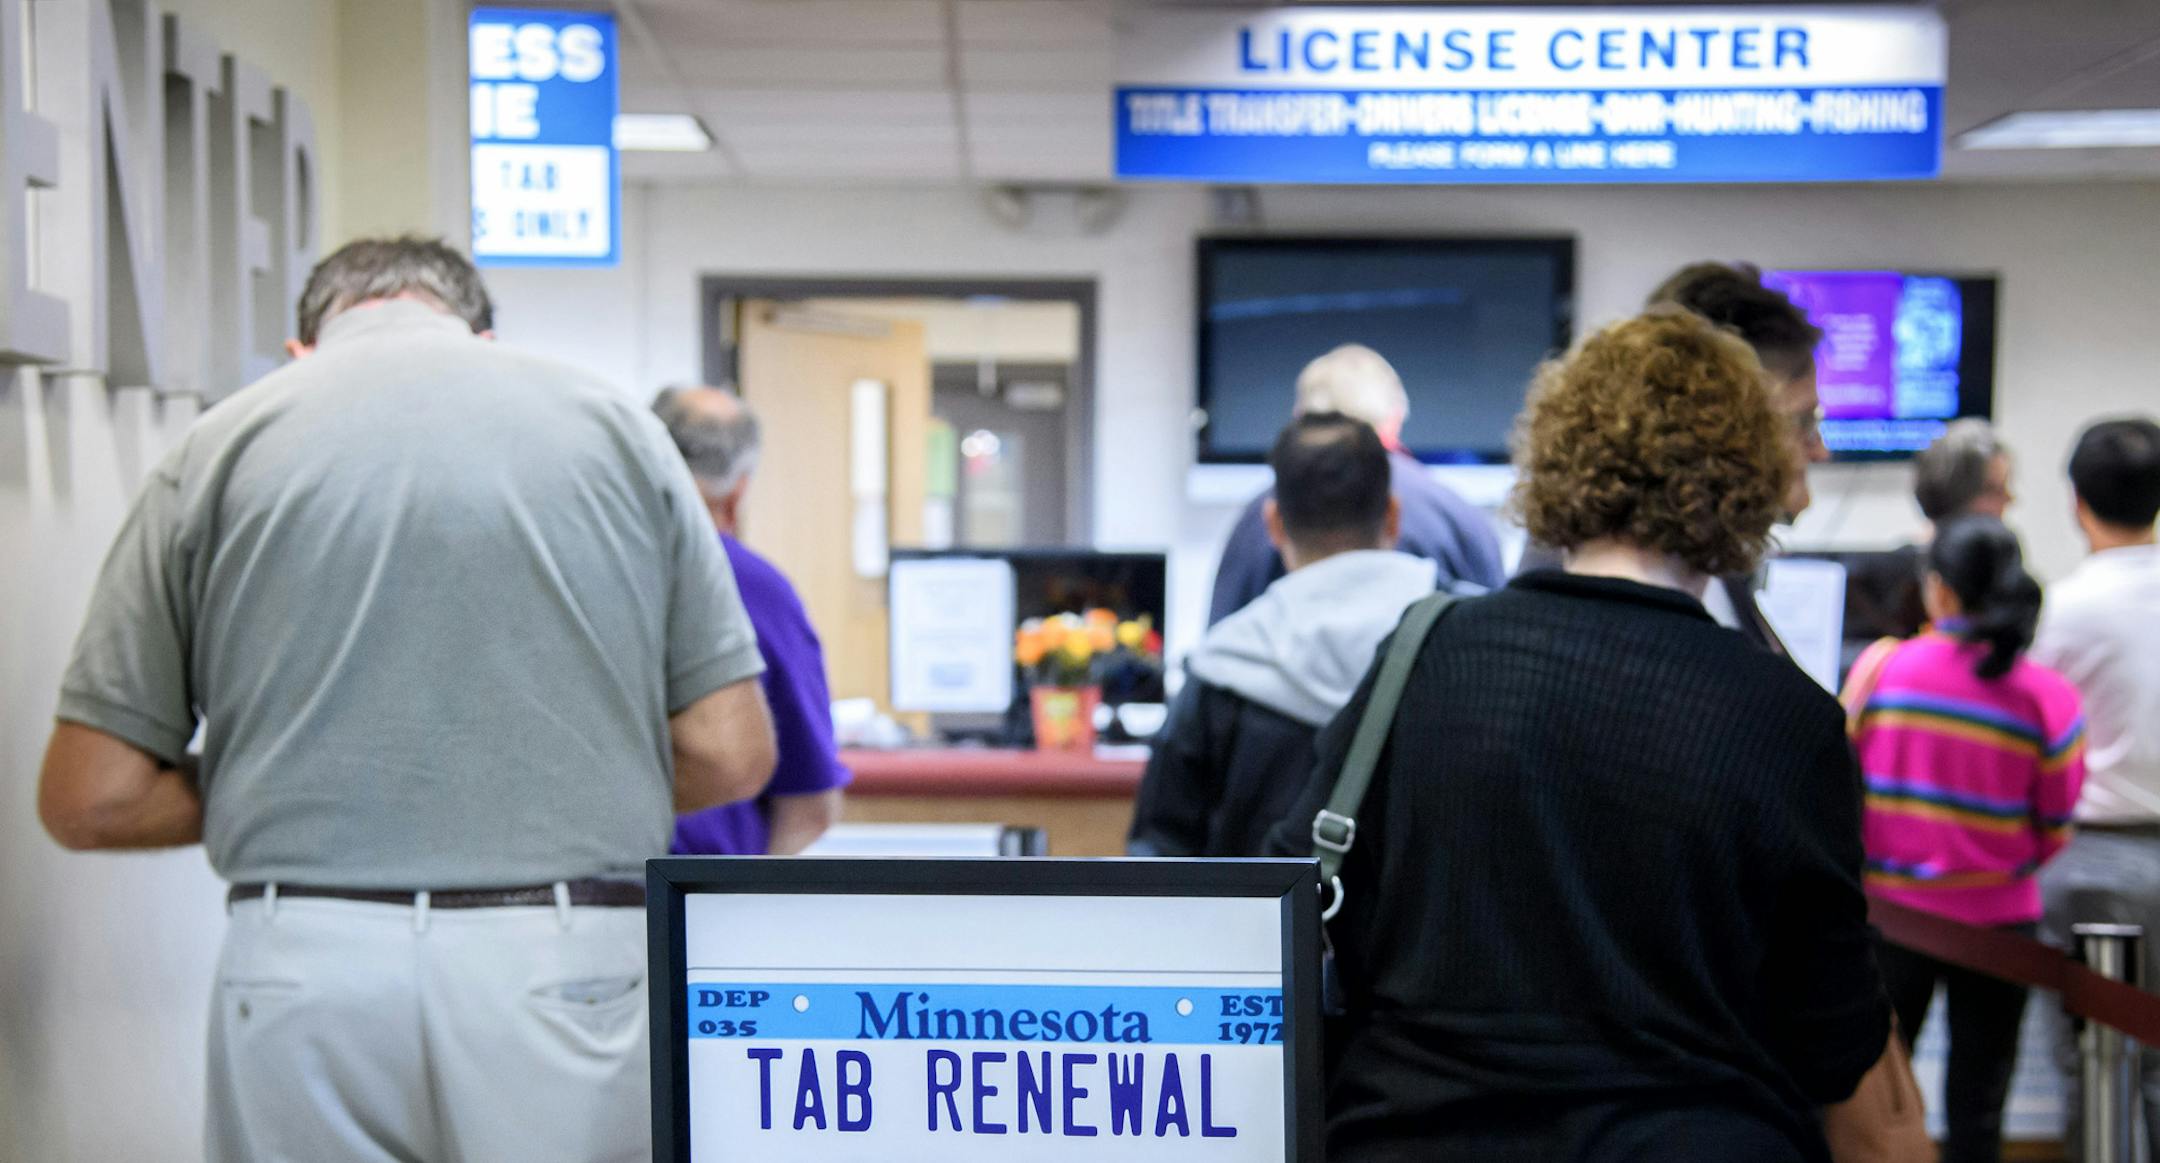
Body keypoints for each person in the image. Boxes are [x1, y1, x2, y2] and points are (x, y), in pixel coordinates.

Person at [35, 237, 777, 1163]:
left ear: (305, 350)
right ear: (484, 335)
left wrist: (303, 778)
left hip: (305, 960)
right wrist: (533, 776)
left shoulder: (216, 447)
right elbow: (731, 751)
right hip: (561, 960)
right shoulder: (620, 433)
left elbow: (89, 794)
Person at [1271, 310, 1890, 1161]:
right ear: (1750, 478)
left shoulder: (1426, 653)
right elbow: (1834, 1041)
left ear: (1560, 456)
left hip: (1411, 1135)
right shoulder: (1788, 718)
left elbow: (1291, 886)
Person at [1847, 516, 2084, 1163]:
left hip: (1893, 921)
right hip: (2000, 929)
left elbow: (1840, 783)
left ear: (1941, 590)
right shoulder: (2048, 696)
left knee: (1880, 1100)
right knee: (1979, 1108)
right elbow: (2057, 821)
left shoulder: (1881, 669)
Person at [1129, 412, 1437, 857]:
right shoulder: (1459, 646)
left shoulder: (1225, 663)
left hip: (1256, 928)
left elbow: (1159, 852)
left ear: (1273, 523)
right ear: (1392, 515)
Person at [2032, 415, 2160, 1153]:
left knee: (2096, 1063)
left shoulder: (2065, 610)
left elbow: (2036, 730)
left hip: (2091, 863)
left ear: (2076, 499)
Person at [654, 385, 850, 855]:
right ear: (738, 490)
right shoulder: (754, 588)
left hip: (580, 893)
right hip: (701, 900)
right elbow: (809, 803)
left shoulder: (582, 571)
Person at [1207, 343, 1503, 626]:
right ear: (1396, 416)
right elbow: (1493, 637)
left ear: (1302, 420)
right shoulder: (1456, 515)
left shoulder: (1262, 514)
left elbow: (1221, 641)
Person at [1647, 262, 1831, 653]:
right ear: (1716, 424)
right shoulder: (1587, 593)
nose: (1820, 450)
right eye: (1803, 421)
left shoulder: (1714, 573)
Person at [1847, 420, 2017, 642]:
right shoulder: (1887, 583)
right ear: (1956, 495)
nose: (2010, 500)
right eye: (1995, 489)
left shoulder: (2002, 575)